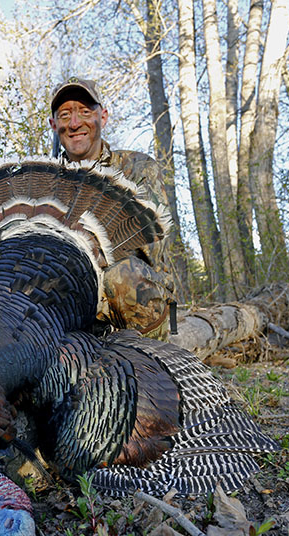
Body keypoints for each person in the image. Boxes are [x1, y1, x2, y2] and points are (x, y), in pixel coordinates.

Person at [48, 77, 177, 341]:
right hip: (72, 304)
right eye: (64, 115)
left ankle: (155, 368)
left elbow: (149, 248)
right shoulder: (44, 184)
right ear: (54, 124)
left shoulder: (137, 167)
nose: (74, 124)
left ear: (103, 117)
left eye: (85, 112)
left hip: (138, 302)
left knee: (124, 276)